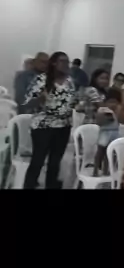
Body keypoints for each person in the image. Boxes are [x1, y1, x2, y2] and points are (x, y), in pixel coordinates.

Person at [23, 51, 77, 189]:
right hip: (43, 126)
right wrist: (40, 99)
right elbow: (27, 103)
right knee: (38, 160)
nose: (66, 64)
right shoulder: (41, 79)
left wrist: (78, 104)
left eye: (67, 62)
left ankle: (51, 185)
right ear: (53, 63)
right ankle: (29, 185)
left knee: (55, 162)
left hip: (64, 126)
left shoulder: (70, 81)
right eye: (62, 61)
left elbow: (72, 101)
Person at [94, 88, 122, 175]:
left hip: (115, 132)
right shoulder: (102, 110)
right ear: (105, 102)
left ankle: (106, 171)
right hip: (104, 133)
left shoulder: (118, 109)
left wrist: (117, 111)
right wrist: (106, 116)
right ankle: (95, 170)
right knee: (100, 152)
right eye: (110, 102)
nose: (113, 104)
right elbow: (99, 122)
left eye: (115, 102)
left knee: (109, 153)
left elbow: (120, 120)